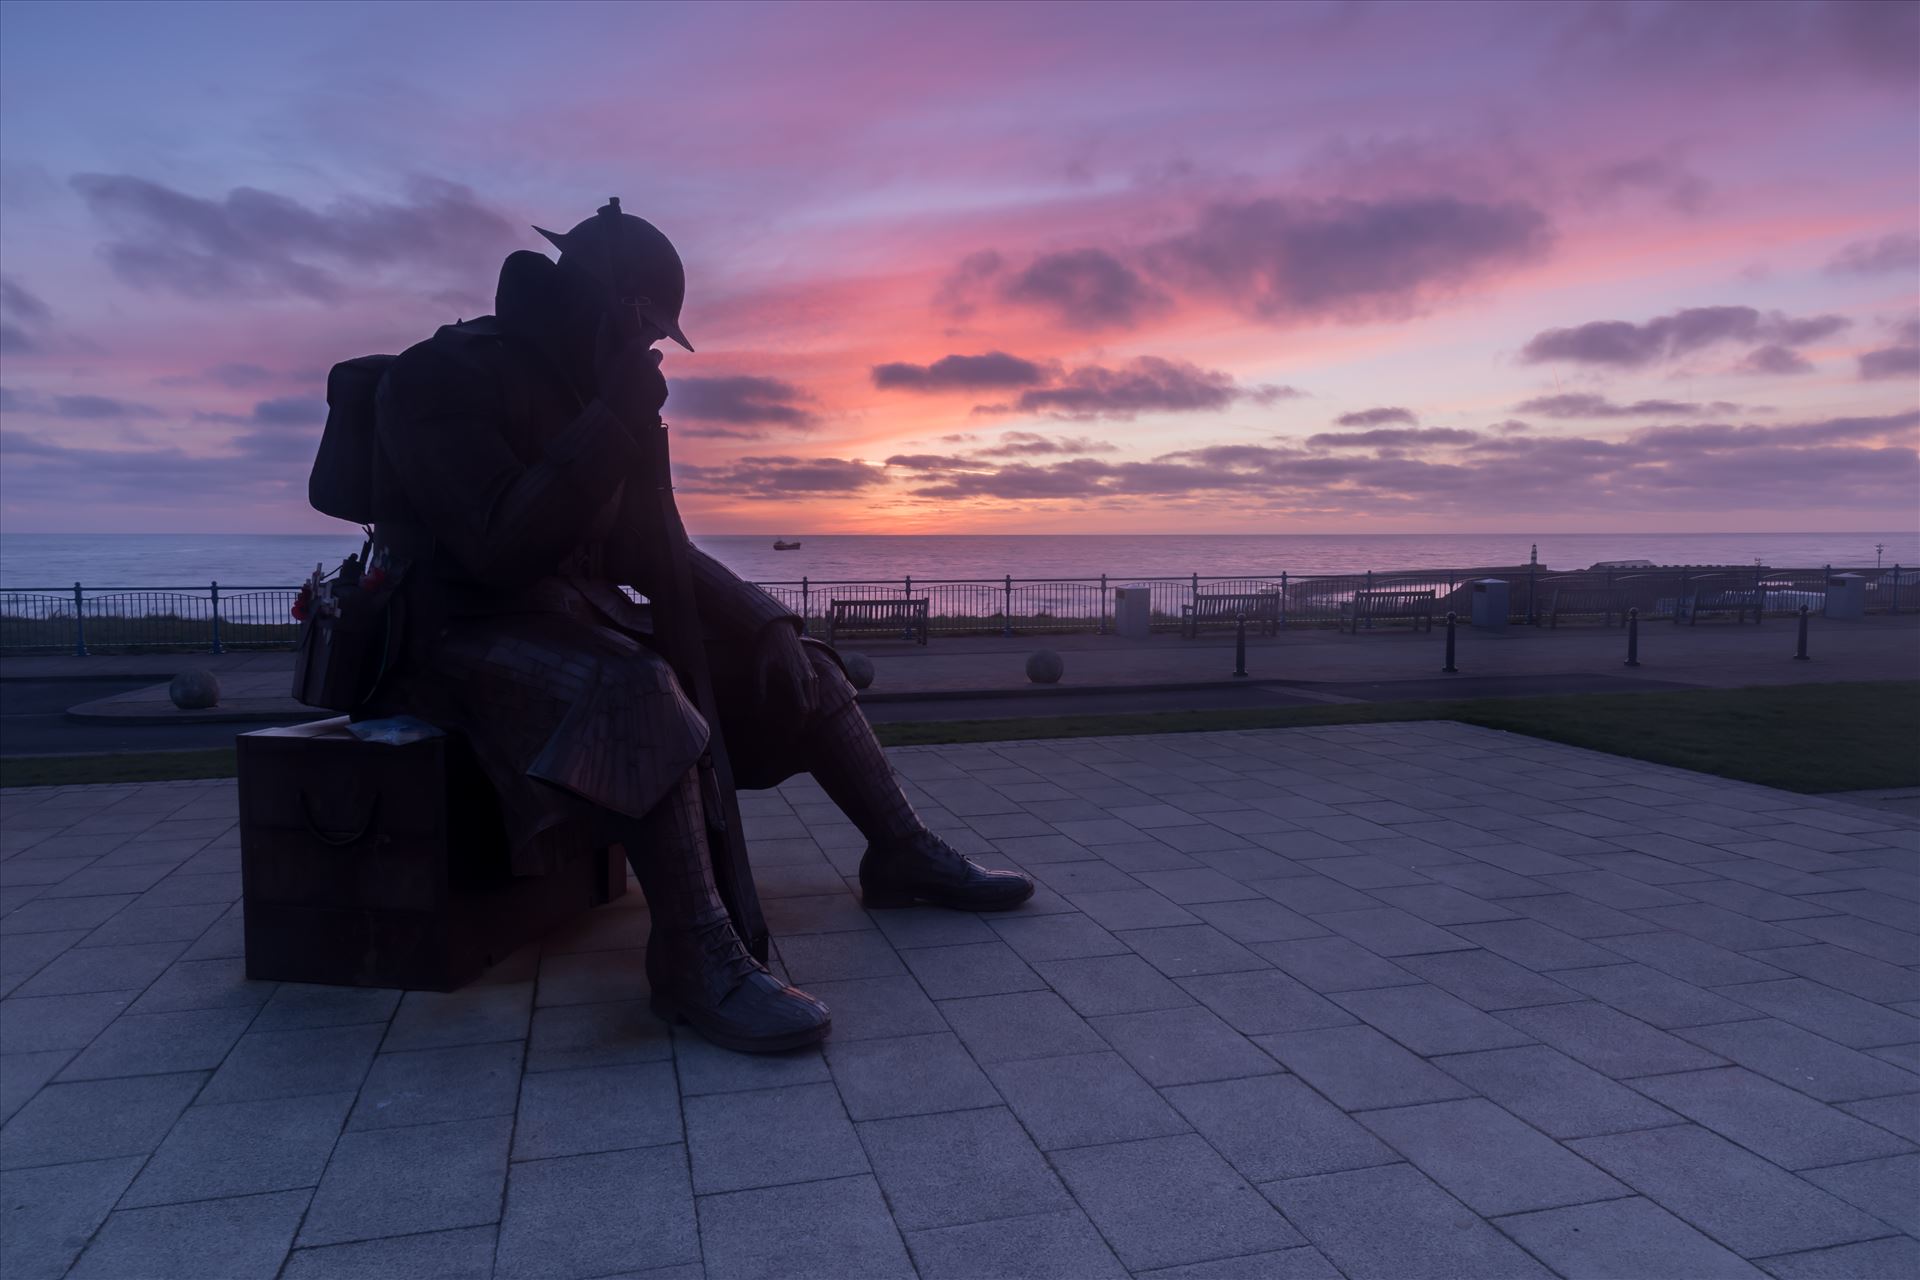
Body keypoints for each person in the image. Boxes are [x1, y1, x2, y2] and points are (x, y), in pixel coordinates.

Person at [366, 199, 1031, 1054]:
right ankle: (693, 952)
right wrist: (612, 419)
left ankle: (900, 851)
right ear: (600, 302)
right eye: (644, 323)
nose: (648, 345)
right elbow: (498, 547)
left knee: (802, 668)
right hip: (454, 644)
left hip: (573, 631)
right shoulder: (442, 374)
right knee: (635, 691)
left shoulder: (596, 394)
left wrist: (767, 625)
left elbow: (660, 555)